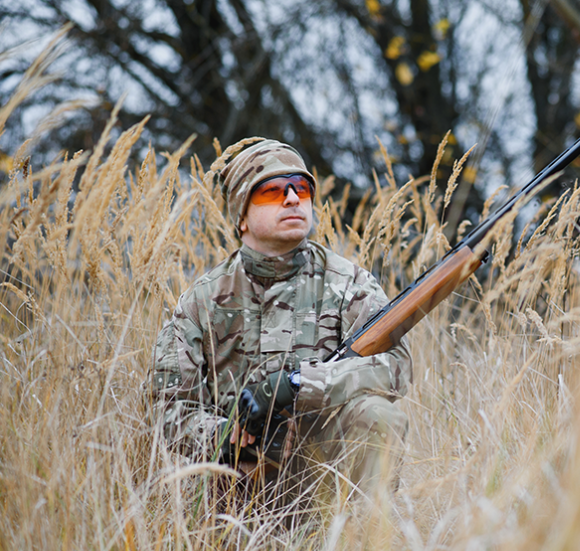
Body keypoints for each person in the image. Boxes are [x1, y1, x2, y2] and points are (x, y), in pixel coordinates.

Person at [150, 138, 411, 518]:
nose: (291, 199)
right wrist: (225, 434)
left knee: (378, 416)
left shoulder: (349, 283)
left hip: (328, 473)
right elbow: (170, 409)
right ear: (241, 216)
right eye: (272, 191)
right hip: (239, 483)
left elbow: (396, 367)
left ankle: (365, 542)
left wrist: (301, 384)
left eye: (301, 188)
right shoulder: (201, 301)